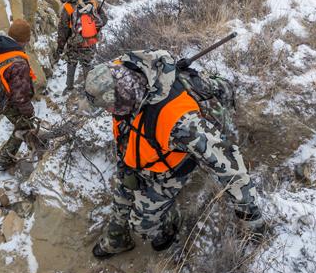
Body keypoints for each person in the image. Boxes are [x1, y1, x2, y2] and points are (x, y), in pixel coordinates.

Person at [84, 50, 267, 258]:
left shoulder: (180, 123)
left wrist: (251, 217)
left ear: (122, 99)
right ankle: (117, 239)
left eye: (109, 106)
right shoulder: (124, 72)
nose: (108, 111)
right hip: (139, 155)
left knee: (142, 225)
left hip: (169, 171)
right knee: (123, 195)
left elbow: (229, 165)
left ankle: (170, 219)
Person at [0, 19, 37, 172]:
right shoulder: (18, 63)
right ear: (24, 40)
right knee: (25, 126)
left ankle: (33, 147)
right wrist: (30, 112)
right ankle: (4, 161)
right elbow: (20, 96)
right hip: (8, 101)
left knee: (25, 126)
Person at [56, 0, 107, 92]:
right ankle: (89, 89)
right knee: (87, 63)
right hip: (90, 40)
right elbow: (104, 19)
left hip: (74, 41)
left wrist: (60, 46)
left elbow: (63, 29)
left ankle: (69, 88)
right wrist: (93, 29)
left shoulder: (68, 7)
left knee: (71, 63)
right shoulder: (92, 1)